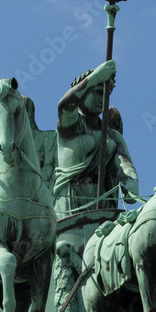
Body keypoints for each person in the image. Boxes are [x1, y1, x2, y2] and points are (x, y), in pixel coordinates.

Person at [53, 60, 138, 219]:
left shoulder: (112, 135)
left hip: (103, 209)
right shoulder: (71, 123)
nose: (103, 99)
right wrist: (96, 76)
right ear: (82, 92)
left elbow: (124, 163)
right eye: (99, 92)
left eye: (107, 94)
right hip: (70, 207)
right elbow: (64, 105)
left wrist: (131, 183)